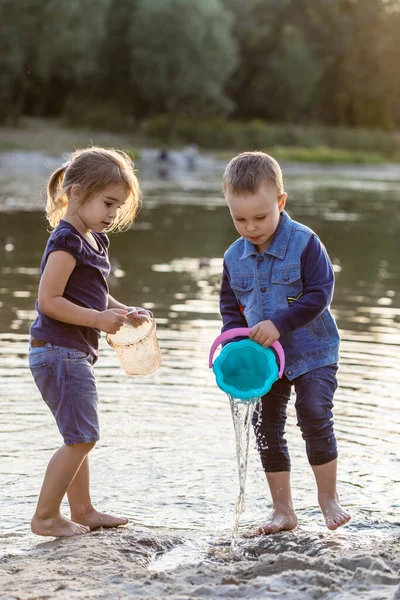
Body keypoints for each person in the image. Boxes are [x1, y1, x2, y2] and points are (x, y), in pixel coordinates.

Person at [219, 151, 351, 535]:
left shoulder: (305, 243)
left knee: (313, 413)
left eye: (260, 217)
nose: (250, 227)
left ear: (281, 202)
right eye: (239, 218)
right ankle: (283, 511)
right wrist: (232, 342)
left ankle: (328, 500)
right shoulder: (233, 257)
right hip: (265, 361)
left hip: (314, 353)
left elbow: (319, 295)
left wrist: (279, 322)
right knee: (265, 425)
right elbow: (231, 306)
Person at [29, 147, 149, 538]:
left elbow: (93, 293)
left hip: (72, 352)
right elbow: (49, 301)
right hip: (57, 352)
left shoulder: (93, 240)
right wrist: (98, 320)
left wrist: (122, 310)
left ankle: (82, 509)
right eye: (108, 203)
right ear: (77, 193)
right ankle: (45, 516)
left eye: (118, 207)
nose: (113, 215)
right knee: (83, 437)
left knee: (78, 435)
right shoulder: (66, 241)